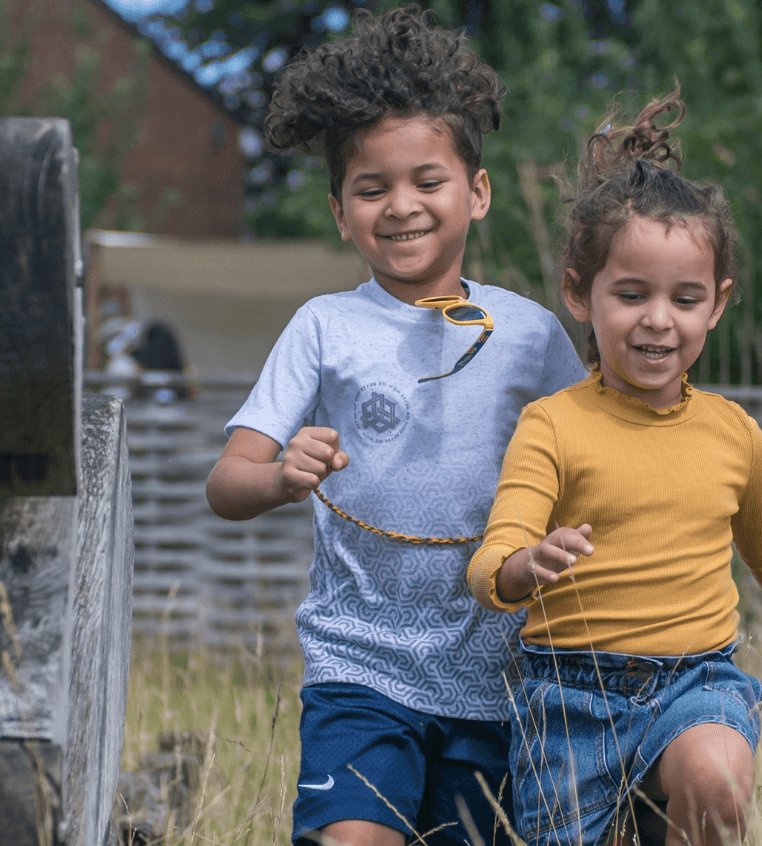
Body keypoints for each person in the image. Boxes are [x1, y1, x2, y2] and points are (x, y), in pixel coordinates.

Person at [205, 9, 589, 845]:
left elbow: (596, 460)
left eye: (427, 180)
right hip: (358, 666)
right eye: (371, 189)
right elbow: (226, 483)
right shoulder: (322, 327)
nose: (400, 206)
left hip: (494, 675)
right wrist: (278, 476)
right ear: (340, 211)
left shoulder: (528, 334)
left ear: (477, 192)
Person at [464, 91, 762, 846]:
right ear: (581, 294)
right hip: (569, 695)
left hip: (696, 680)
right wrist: (523, 566)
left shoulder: (731, 433)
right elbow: (490, 560)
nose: (658, 319)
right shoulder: (552, 425)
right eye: (632, 294)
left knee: (715, 776)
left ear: (717, 304)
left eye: (686, 298)